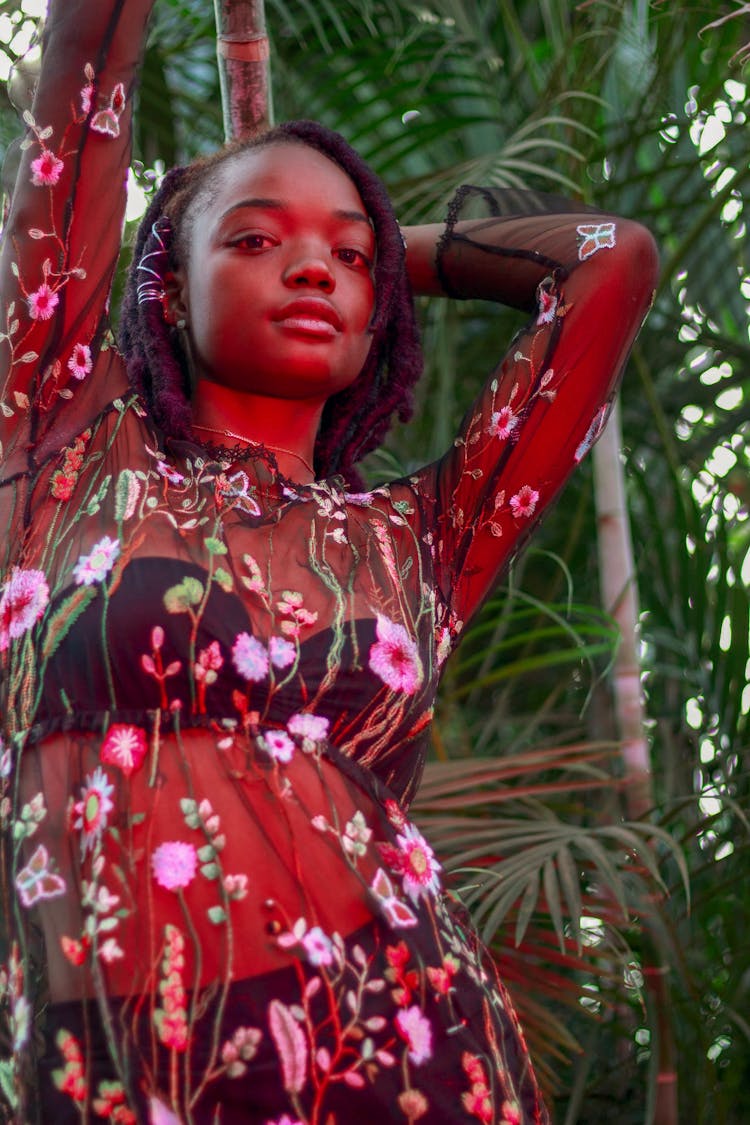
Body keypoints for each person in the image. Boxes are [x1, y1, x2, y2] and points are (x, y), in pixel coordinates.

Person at [0, 2, 659, 1122]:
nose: (313, 269)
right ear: (165, 281)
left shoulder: (423, 539)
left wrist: (404, 260)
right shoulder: (64, 446)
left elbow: (612, 263)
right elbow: (87, 49)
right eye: (256, 239)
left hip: (411, 1060)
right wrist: (334, 249)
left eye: (346, 254)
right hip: (118, 1068)